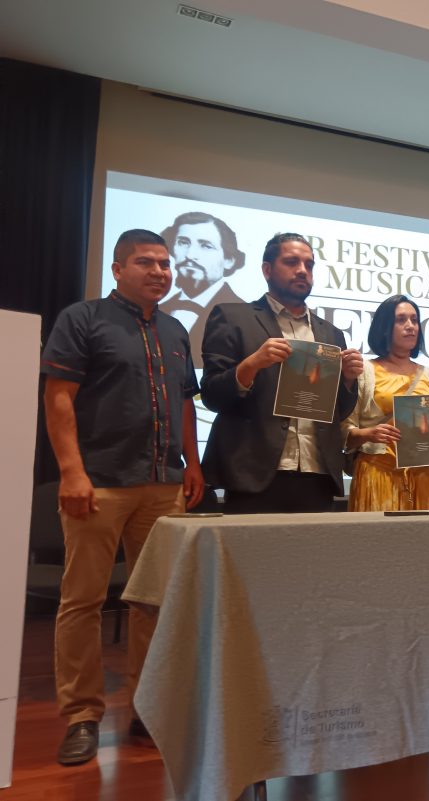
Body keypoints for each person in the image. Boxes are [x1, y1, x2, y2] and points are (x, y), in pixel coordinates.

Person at [41, 229, 204, 765]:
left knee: (153, 603)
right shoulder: (82, 319)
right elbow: (59, 398)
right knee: (82, 601)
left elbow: (185, 404)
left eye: (164, 264)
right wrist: (71, 473)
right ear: (117, 269)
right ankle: (82, 716)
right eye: (145, 262)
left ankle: (145, 709)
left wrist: (192, 463)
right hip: (99, 483)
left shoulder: (175, 329)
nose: (159, 272)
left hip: (163, 485)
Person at [200, 233, 363, 513]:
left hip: (317, 472)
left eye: (309, 265)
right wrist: (251, 364)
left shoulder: (331, 333)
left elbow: (338, 411)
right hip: (254, 474)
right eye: (291, 262)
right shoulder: (232, 317)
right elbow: (212, 395)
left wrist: (347, 380)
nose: (302, 270)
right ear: (267, 270)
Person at [341, 295, 429, 511]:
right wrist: (369, 433)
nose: (410, 326)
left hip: (422, 475)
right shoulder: (365, 371)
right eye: (401, 320)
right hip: (377, 473)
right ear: (385, 327)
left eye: (414, 320)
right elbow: (343, 431)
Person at [159, 211, 246, 367]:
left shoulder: (244, 316)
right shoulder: (157, 310)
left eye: (206, 246)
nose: (190, 255)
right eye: (183, 243)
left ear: (229, 260)